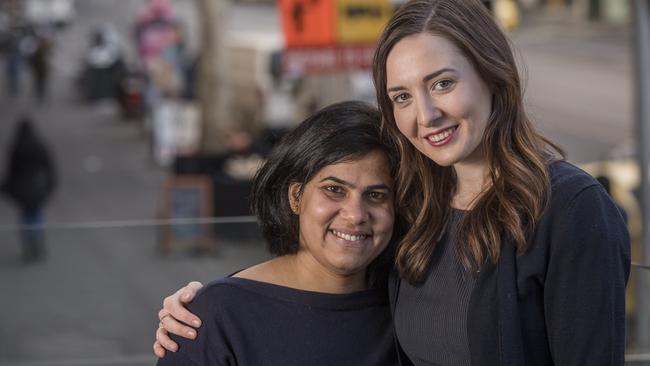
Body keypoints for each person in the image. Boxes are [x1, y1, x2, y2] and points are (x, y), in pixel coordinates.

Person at [154, 0, 631, 364]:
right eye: (401, 96)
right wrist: (210, 302)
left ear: (493, 75)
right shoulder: (417, 206)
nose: (425, 114)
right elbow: (325, 278)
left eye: (443, 83)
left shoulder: (569, 209)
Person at [156, 101, 401, 366]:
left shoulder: (410, 307)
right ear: (295, 196)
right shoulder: (214, 317)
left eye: (376, 195)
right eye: (334, 190)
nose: (355, 215)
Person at [1, 117, 57, 263]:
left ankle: (28, 242)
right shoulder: (40, 145)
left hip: (22, 188)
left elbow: (11, 171)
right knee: (36, 214)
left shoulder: (16, 147)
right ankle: (37, 240)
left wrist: (8, 187)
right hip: (38, 187)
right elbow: (49, 166)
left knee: (26, 215)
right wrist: (51, 183)